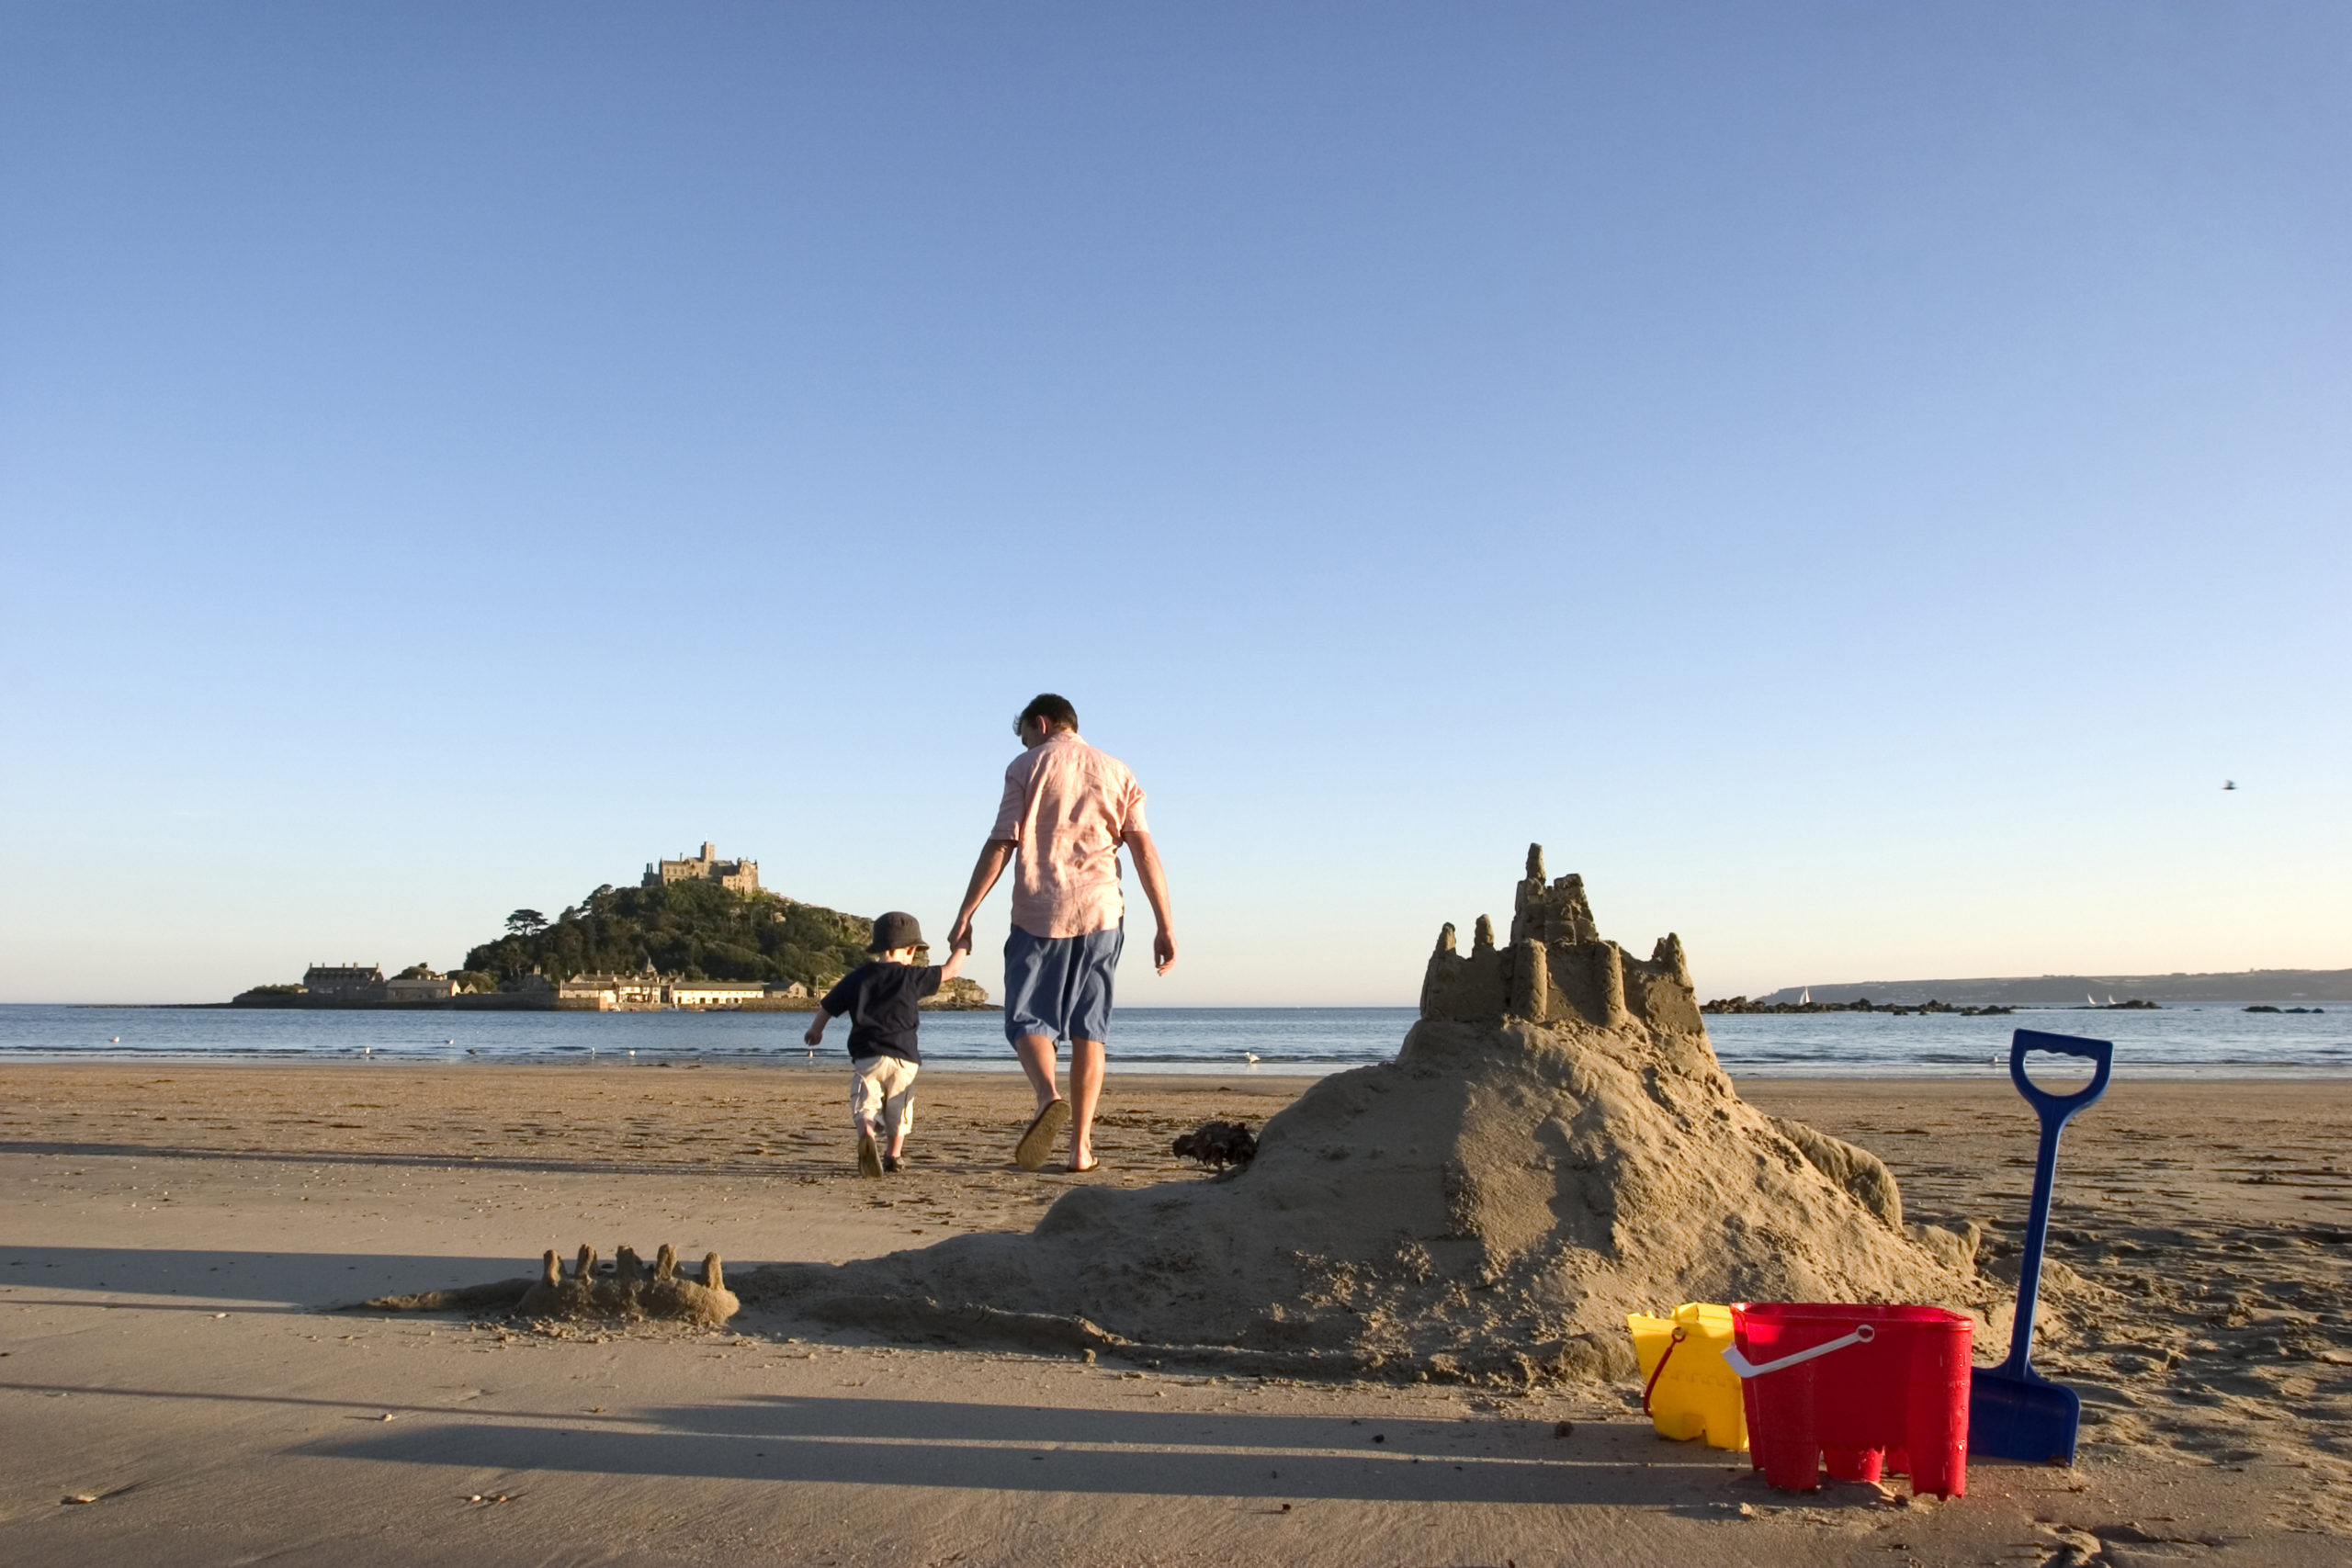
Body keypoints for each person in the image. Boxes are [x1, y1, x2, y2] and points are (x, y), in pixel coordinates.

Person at [947, 694, 1174, 1173]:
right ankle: (1080, 1149)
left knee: (1027, 1020)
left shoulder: (1026, 766)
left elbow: (1002, 843)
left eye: (1026, 734)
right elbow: (1145, 853)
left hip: (1039, 912)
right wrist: (1165, 923)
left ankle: (1048, 1096)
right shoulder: (1119, 771)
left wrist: (966, 912)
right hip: (1102, 915)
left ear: (1042, 723)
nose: (1025, 743)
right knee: (1090, 1029)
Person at [803, 910, 970, 1178]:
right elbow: (951, 970)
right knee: (899, 1106)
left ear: (878, 947)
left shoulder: (858, 977)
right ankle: (893, 1155)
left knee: (865, 1101)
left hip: (868, 1055)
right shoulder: (912, 976)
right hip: (905, 1059)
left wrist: (815, 1030)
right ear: (910, 950)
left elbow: (828, 1006)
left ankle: (867, 1133)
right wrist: (964, 944)